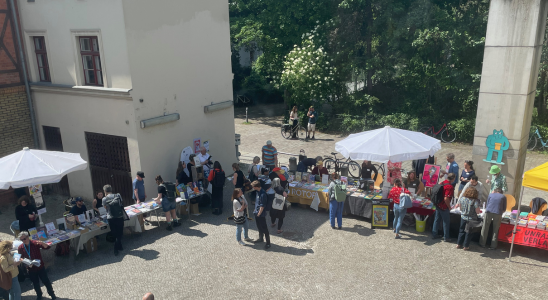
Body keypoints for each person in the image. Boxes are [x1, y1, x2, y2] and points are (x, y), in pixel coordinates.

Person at [17, 231, 57, 300]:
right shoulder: (20, 247)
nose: (23, 241)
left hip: (40, 267)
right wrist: (23, 261)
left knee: (46, 281)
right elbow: (19, 257)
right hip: (31, 269)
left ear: (28, 237)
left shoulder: (35, 243)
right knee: (35, 284)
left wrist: (42, 243)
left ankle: (52, 294)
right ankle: (39, 295)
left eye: (24, 239)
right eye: (21, 240)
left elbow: (47, 247)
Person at [102, 185, 125, 255]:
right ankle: (120, 246)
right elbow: (121, 203)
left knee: (114, 233)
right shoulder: (118, 195)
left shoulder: (104, 199)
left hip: (111, 217)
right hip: (119, 216)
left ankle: (116, 248)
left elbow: (105, 208)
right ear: (111, 190)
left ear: (105, 191)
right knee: (120, 232)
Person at [432, 173, 455, 242]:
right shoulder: (450, 187)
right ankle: (446, 237)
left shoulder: (442, 182)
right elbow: (446, 198)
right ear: (453, 179)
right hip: (443, 206)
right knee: (446, 222)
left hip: (438, 204)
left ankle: (434, 234)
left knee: (437, 220)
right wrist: (449, 207)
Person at [251, 181, 271, 249]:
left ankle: (268, 243)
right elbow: (257, 203)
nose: (253, 188)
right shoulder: (257, 192)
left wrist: (259, 214)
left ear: (256, 187)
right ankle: (261, 238)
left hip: (261, 214)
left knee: (264, 229)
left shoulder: (263, 194)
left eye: (253, 187)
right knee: (259, 227)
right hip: (257, 213)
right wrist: (255, 210)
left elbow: (262, 206)